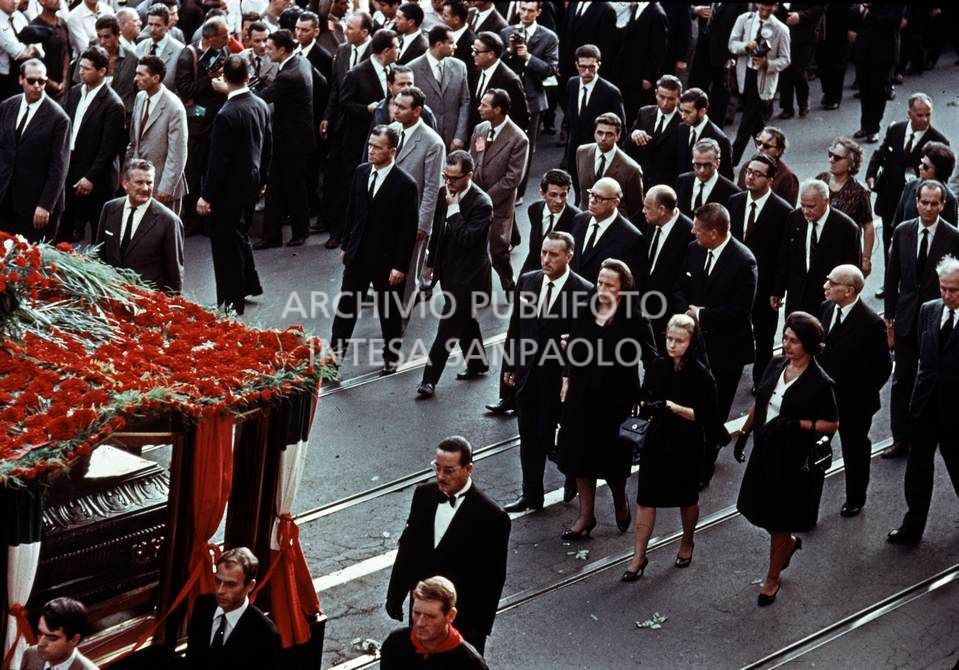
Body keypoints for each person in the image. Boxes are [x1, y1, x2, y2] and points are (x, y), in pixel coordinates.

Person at [735, 312, 839, 606]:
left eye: (793, 341)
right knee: (754, 508)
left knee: (780, 520)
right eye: (785, 338)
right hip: (765, 448)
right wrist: (744, 432)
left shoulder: (821, 383)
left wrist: (798, 424)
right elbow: (762, 401)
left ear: (808, 345)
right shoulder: (776, 364)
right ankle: (789, 545)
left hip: (793, 459)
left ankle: (772, 578)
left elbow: (831, 424)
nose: (786, 345)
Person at [558, 258, 657, 540]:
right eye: (599, 282)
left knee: (613, 462)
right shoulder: (585, 309)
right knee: (579, 458)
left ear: (622, 290)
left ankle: (619, 500)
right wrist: (567, 376)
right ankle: (586, 516)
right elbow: (572, 346)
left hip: (616, 400)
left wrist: (646, 397)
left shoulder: (635, 319)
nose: (601, 288)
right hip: (581, 394)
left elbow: (652, 359)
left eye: (608, 285)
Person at [386, 436, 511, 654]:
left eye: (449, 471)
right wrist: (394, 596)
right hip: (424, 611)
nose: (441, 477)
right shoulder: (423, 495)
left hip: (462, 620)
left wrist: (478, 629)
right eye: (437, 468)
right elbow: (408, 550)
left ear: (468, 469)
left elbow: (493, 579)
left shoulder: (492, 516)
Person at [501, 231, 593, 512]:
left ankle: (571, 480)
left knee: (559, 436)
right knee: (529, 436)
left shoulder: (584, 291)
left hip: (561, 380)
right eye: (543, 252)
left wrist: (571, 376)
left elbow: (585, 343)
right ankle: (532, 494)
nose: (546, 259)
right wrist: (510, 367)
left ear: (569, 256)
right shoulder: (528, 281)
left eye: (553, 254)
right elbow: (516, 328)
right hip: (529, 376)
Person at [622, 314, 718, 581]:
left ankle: (687, 540)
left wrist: (673, 408)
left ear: (692, 342)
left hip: (686, 444)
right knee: (646, 498)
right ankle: (639, 555)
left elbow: (707, 416)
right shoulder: (656, 366)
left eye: (679, 341)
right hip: (657, 440)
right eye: (669, 339)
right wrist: (644, 403)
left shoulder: (701, 374)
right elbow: (646, 393)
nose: (673, 345)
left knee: (686, 498)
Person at [672, 202, 758, 487]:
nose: (693, 232)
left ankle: (703, 468)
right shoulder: (694, 250)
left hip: (725, 351)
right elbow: (679, 288)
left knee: (714, 409)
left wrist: (702, 315)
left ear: (715, 232)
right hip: (695, 345)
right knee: (690, 403)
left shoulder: (743, 262)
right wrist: (687, 311)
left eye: (698, 229)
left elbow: (739, 311)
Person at [330, 125, 419, 375]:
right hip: (358, 256)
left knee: (389, 313)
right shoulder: (361, 173)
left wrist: (400, 266)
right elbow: (352, 213)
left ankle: (392, 358)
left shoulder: (405, 185)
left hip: (387, 261)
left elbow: (407, 231)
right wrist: (346, 245)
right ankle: (334, 361)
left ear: (392, 150)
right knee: (345, 311)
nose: (371, 151)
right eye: (370, 145)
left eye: (377, 147)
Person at [882, 180, 959, 460]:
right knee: (902, 379)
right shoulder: (903, 231)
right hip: (905, 317)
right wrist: (889, 319)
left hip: (935, 320)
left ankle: (928, 432)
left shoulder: (953, 237)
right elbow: (892, 279)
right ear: (916, 202)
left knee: (929, 377)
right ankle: (900, 437)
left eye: (934, 203)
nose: (928, 207)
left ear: (942, 205)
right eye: (923, 202)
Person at [887, 256, 959, 545]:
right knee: (917, 470)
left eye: (954, 290)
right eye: (943, 288)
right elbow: (921, 357)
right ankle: (912, 526)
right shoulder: (929, 311)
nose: (947, 295)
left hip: (957, 412)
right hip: (925, 407)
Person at [196, 55, 270, 314]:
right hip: (250, 184)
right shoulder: (260, 105)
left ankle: (230, 300)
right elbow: (267, 146)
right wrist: (263, 180)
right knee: (239, 237)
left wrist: (206, 196)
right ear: (248, 77)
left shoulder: (226, 114)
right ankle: (248, 285)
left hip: (227, 191)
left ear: (224, 79)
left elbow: (218, 163)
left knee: (225, 246)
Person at [418, 151, 493, 398]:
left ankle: (429, 379)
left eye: (454, 178)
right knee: (466, 322)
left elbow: (467, 239)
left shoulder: (482, 204)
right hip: (449, 272)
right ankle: (477, 363)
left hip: (470, 276)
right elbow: (439, 231)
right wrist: (431, 264)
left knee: (448, 327)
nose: (448, 183)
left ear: (469, 175)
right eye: (445, 176)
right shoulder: (445, 193)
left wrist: (454, 210)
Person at [818, 264, 891, 516]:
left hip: (855, 402)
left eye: (832, 283)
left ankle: (855, 498)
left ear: (849, 290)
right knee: (816, 446)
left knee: (855, 449)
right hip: (825, 398)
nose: (825, 286)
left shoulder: (871, 323)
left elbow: (883, 367)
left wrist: (858, 392)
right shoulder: (826, 309)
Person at [324, 28, 399, 249]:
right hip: (357, 140)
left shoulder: (393, 70)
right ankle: (339, 233)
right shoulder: (356, 73)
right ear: (386, 50)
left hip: (384, 138)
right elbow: (344, 103)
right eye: (396, 46)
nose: (399, 51)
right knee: (350, 188)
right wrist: (366, 109)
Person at [728, 154, 792, 389]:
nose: (750, 177)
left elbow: (783, 254)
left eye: (757, 174)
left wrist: (778, 289)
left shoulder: (782, 210)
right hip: (735, 281)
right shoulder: (734, 201)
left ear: (770, 179)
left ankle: (761, 381)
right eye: (748, 172)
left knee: (764, 336)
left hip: (764, 285)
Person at [866, 92, 950, 259]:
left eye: (928, 114)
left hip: (915, 205)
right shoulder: (896, 129)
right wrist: (871, 174)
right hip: (890, 199)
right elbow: (881, 152)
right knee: (888, 242)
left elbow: (941, 180)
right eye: (920, 115)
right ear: (909, 113)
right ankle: (889, 281)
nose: (925, 119)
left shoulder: (938, 141)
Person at [252, 29, 315, 248]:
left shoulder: (289, 75)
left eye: (270, 48)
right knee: (285, 186)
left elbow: (262, 99)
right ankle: (284, 233)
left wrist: (229, 89)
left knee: (290, 187)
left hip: (290, 140)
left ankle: (286, 234)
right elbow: (322, 83)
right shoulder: (301, 63)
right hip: (297, 137)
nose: (265, 50)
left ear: (282, 49)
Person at [60, 46, 126, 243]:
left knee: (98, 236)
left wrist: (90, 177)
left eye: (86, 69)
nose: (80, 72)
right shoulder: (73, 93)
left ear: (102, 71)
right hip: (71, 169)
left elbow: (109, 149)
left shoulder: (113, 104)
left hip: (97, 179)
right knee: (64, 229)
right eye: (80, 67)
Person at [390, 86, 446, 315]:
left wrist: (423, 224)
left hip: (412, 219)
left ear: (417, 111)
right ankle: (390, 313)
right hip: (387, 214)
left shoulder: (433, 143)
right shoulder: (391, 131)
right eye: (395, 105)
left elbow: (433, 188)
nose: (396, 111)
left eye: (402, 108)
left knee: (409, 270)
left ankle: (401, 317)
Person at [0, 59, 69, 243]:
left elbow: (59, 167)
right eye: (32, 81)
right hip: (6, 199)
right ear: (21, 80)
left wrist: (45, 205)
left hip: (34, 205)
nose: (37, 86)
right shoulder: (7, 106)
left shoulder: (58, 118)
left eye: (42, 81)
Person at [772, 179, 861, 318]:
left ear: (826, 201)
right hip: (796, 298)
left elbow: (853, 271)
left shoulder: (847, 228)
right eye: (802, 205)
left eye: (811, 206)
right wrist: (778, 290)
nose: (806, 211)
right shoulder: (794, 218)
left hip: (827, 300)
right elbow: (785, 256)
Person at [468, 87, 528, 295]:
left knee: (497, 250)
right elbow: (472, 159)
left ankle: (508, 282)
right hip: (476, 196)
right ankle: (481, 289)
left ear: (498, 110)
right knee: (475, 247)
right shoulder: (480, 129)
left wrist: (485, 198)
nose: (480, 108)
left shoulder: (518, 138)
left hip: (499, 202)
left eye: (484, 105)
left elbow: (513, 178)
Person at [97, 159, 184, 294]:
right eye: (139, 182)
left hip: (146, 301)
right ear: (125, 183)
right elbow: (99, 255)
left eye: (149, 183)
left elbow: (175, 276)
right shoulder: (110, 208)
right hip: (111, 294)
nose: (145, 188)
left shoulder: (169, 221)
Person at [185, 547, 280, 670]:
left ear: (250, 586)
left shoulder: (265, 632)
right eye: (218, 581)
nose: (220, 591)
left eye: (230, 585)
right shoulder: (203, 605)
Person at [499, 0, 559, 196]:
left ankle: (520, 192)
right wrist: (509, 51)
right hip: (508, 99)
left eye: (530, 11)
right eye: (522, 9)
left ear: (538, 12)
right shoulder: (506, 33)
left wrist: (528, 58)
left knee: (525, 147)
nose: (525, 14)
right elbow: (498, 66)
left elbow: (550, 70)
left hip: (533, 100)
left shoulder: (549, 37)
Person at [727, 3, 791, 167]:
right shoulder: (744, 20)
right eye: (762, 8)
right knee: (757, 124)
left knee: (747, 122)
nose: (764, 12)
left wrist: (767, 63)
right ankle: (771, 158)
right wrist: (745, 46)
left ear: (775, 7)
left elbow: (785, 59)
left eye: (769, 9)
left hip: (763, 80)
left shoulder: (781, 29)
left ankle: (731, 161)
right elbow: (732, 44)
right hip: (744, 76)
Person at [381, 577, 488, 670]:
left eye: (431, 616)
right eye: (417, 613)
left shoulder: (471, 664)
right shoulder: (395, 643)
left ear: (450, 616)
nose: (420, 623)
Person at [125, 55, 188, 214]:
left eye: (141, 74)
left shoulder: (174, 107)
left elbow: (178, 152)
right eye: (136, 73)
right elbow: (134, 140)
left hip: (162, 186)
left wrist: (167, 187)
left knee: (164, 234)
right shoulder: (140, 97)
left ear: (156, 78)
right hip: (139, 183)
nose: (135, 78)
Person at [568, 177, 646, 290]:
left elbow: (631, 284)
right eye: (591, 194)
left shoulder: (632, 238)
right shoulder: (579, 220)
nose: (592, 200)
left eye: (599, 198)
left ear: (615, 203)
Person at [642, 185, 694, 352]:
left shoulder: (689, 233)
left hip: (668, 314)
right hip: (647, 308)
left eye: (647, 207)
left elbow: (685, 282)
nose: (643, 211)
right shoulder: (651, 223)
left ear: (662, 209)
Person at [816, 137, 876, 276]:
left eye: (837, 157)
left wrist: (866, 259)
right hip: (818, 248)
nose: (831, 160)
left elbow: (868, 226)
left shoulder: (859, 192)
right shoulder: (821, 180)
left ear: (850, 164)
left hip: (844, 254)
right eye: (830, 154)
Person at [561, 43, 624, 175]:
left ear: (599, 65)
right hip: (575, 153)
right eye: (583, 67)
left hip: (599, 153)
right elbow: (571, 117)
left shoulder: (610, 92)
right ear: (576, 65)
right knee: (578, 192)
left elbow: (621, 127)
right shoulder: (572, 84)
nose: (587, 72)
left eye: (591, 67)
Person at [848, 4, 906, 144]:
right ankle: (865, 125)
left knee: (879, 91)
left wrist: (868, 16)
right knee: (864, 88)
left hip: (884, 50)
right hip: (864, 48)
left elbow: (894, 20)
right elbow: (853, 10)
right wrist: (860, 11)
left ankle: (874, 128)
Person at [408, 24, 471, 151]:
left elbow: (465, 102)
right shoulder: (412, 69)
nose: (456, 46)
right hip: (422, 141)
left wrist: (460, 135)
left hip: (452, 140)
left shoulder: (460, 67)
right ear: (438, 45)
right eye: (451, 43)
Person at [687, 2, 747, 131]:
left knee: (721, 94)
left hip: (724, 53)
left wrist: (733, 56)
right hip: (702, 51)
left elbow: (743, 30)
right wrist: (695, 10)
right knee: (697, 90)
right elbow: (688, 7)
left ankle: (715, 130)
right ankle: (695, 126)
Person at [575, 112, 643, 223]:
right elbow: (581, 191)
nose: (603, 138)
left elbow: (635, 210)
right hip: (585, 220)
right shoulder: (582, 152)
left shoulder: (631, 168)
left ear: (618, 135)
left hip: (613, 225)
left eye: (609, 134)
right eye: (600, 133)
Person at [612, 1, 668, 125]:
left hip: (641, 76)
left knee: (636, 112)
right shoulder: (636, 8)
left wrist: (649, 77)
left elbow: (658, 50)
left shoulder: (657, 14)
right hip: (629, 72)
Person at [627, 74, 683, 191]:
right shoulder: (644, 113)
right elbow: (627, 147)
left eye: (671, 99)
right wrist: (633, 136)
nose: (665, 103)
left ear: (679, 98)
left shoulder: (684, 123)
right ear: (656, 93)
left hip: (664, 188)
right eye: (662, 97)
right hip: (638, 182)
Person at [518, 168, 579, 275]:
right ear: (542, 193)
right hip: (532, 267)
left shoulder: (577, 218)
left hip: (558, 272)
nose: (559, 201)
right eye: (553, 195)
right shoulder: (534, 209)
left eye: (563, 195)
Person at [467, 30, 528, 133]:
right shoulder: (478, 71)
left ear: (491, 54)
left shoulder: (509, 80)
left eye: (477, 51)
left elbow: (521, 116)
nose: (473, 54)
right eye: (473, 49)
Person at [890, 142, 958, 232]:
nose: (920, 167)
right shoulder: (910, 187)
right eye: (921, 163)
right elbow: (897, 222)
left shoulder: (950, 199)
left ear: (938, 171)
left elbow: (950, 236)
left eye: (926, 166)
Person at [19, 598, 98, 670]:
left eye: (52, 638)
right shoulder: (30, 654)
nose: (40, 643)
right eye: (40, 633)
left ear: (74, 640)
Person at [776, 4, 824, 120]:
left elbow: (820, 7)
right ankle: (787, 107)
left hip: (804, 32)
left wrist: (801, 16)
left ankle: (803, 103)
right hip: (782, 29)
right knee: (784, 69)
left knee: (799, 69)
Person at [675, 87, 734, 182]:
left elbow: (726, 177)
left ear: (702, 112)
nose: (682, 116)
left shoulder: (720, 139)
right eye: (682, 111)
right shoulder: (682, 129)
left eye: (688, 112)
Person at [676, 138, 741, 218]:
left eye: (707, 165)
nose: (702, 170)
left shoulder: (732, 192)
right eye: (698, 165)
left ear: (717, 163)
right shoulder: (683, 181)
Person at [735, 126, 799, 205]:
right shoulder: (747, 166)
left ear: (779, 151)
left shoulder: (787, 177)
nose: (760, 148)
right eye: (759, 143)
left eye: (767, 146)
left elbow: (787, 211)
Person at [29, 0, 71, 106]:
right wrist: (50, 84)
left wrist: (64, 81)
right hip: (41, 87)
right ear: (42, 1)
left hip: (63, 87)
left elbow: (66, 52)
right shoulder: (34, 27)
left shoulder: (62, 23)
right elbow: (33, 61)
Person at [136, 3, 183, 89]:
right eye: (150, 24)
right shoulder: (140, 47)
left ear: (167, 25)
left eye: (157, 25)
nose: (153, 29)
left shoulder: (179, 51)